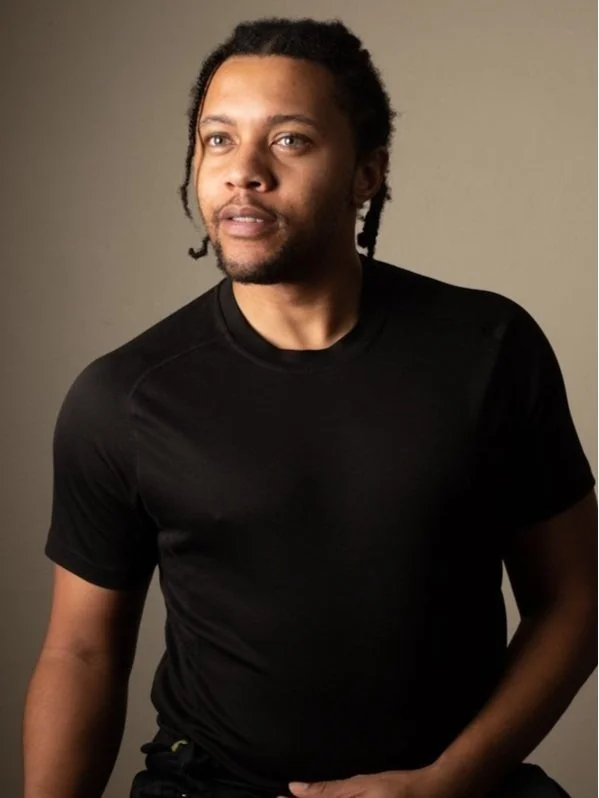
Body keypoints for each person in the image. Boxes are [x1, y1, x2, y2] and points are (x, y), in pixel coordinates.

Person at [23, 17, 596, 798]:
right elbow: (81, 653)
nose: (244, 171)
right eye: (218, 140)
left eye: (289, 139)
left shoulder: (489, 348)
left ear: (366, 174)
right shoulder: (124, 396)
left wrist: (447, 782)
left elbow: (572, 600)